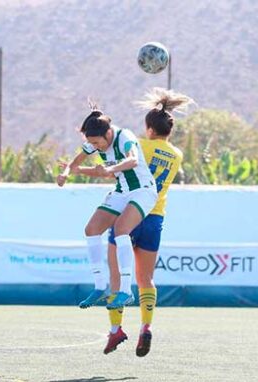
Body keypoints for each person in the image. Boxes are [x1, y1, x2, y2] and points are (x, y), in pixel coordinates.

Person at [103, 88, 192, 356]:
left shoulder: (139, 146)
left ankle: (116, 330)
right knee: (146, 279)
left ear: (149, 129)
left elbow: (119, 167)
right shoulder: (176, 154)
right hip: (154, 217)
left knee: (117, 277)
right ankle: (146, 327)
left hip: (130, 213)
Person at [57, 104, 158, 310]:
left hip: (143, 191)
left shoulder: (124, 137)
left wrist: (108, 169)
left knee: (121, 229)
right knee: (91, 229)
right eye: (90, 143)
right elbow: (75, 163)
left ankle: (126, 291)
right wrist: (68, 172)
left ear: (108, 133)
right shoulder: (95, 143)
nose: (95, 146)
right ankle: (100, 286)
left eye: (96, 142)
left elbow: (132, 160)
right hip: (122, 190)